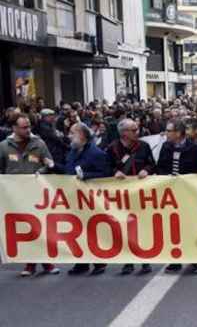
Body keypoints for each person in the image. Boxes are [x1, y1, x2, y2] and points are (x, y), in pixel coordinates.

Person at [0, 114, 60, 277]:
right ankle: (29, 264)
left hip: (37, 193)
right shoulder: (4, 146)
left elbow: (49, 163)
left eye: (29, 127)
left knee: (40, 227)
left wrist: (41, 171)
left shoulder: (39, 144)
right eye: (24, 127)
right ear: (14, 128)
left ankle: (47, 263)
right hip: (14, 196)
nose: (28, 130)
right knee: (23, 229)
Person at [106, 119, 156, 275]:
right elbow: (106, 167)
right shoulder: (112, 148)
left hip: (141, 193)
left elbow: (152, 164)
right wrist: (114, 172)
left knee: (142, 226)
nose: (137, 132)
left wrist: (147, 170)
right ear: (124, 133)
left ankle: (144, 260)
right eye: (133, 130)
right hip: (121, 195)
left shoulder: (144, 146)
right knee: (124, 226)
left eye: (137, 129)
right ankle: (128, 261)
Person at [158, 120, 197, 274]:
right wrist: (167, 177)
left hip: (189, 194)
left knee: (192, 226)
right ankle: (175, 259)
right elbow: (160, 167)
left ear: (178, 133)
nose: (166, 133)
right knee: (173, 227)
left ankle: (196, 260)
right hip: (170, 194)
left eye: (168, 131)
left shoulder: (195, 149)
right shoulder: (166, 147)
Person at [63, 122, 111, 276]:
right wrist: (51, 166)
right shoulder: (72, 151)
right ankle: (82, 262)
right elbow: (68, 170)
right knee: (78, 230)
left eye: (72, 133)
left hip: (91, 199)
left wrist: (86, 176)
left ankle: (99, 262)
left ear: (82, 136)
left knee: (92, 230)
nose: (69, 136)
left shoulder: (96, 153)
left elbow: (105, 174)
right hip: (75, 198)